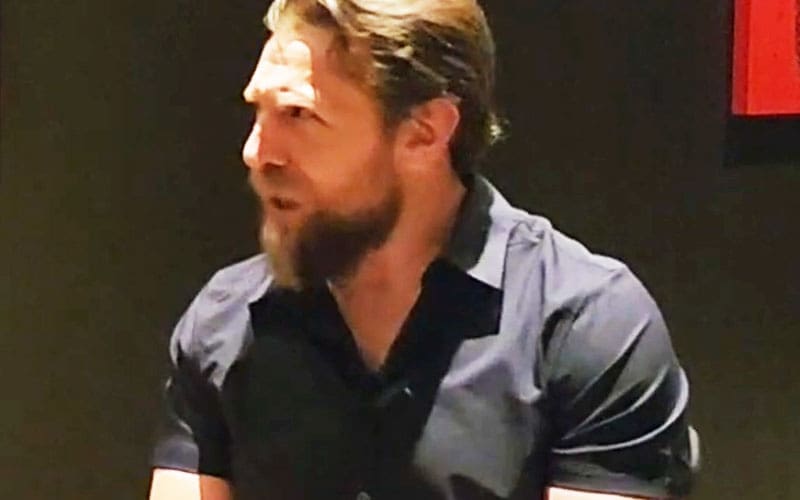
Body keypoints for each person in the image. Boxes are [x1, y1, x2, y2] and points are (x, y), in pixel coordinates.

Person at [148, 1, 700, 499]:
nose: (257, 152)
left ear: (425, 131)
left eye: (298, 115)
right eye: (259, 112)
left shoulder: (585, 327)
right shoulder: (225, 325)